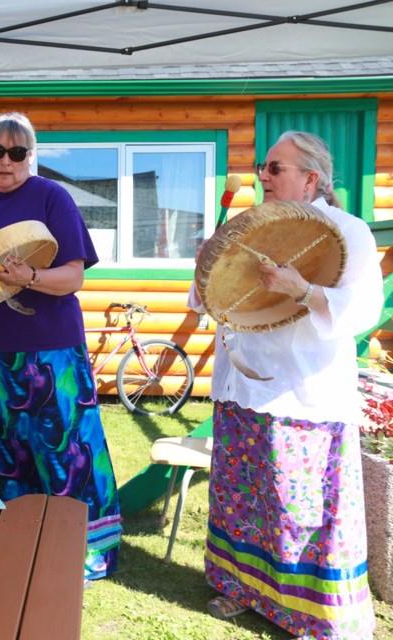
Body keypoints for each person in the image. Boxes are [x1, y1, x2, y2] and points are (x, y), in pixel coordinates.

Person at [189, 131, 382, 638]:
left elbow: (363, 311)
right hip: (240, 390)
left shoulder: (347, 230)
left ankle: (314, 615)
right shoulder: (253, 227)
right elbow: (210, 299)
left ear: (310, 178)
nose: (264, 176)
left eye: (276, 168)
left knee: (298, 510)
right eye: (262, 167)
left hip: (302, 396)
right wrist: (205, 266)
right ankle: (244, 591)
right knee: (245, 500)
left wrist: (304, 290)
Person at [0, 112, 121, 580]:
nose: (7, 161)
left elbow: (74, 274)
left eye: (17, 152)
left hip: (47, 351)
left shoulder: (51, 197)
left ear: (30, 156)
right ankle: (12, 539)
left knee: (64, 448)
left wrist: (31, 277)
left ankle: (84, 552)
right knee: (2, 450)